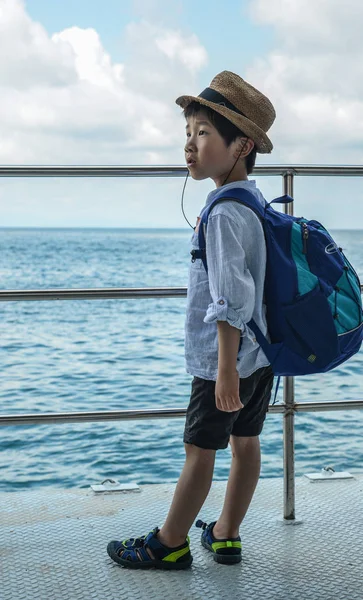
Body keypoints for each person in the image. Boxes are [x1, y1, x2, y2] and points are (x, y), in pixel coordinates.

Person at [107, 70, 276, 569]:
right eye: (188, 133)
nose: (190, 144)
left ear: (241, 145)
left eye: (203, 133)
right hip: (260, 355)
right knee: (246, 444)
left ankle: (169, 543)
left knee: (199, 452)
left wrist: (224, 369)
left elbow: (227, 298)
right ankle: (226, 534)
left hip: (223, 361)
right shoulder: (255, 201)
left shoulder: (223, 213)